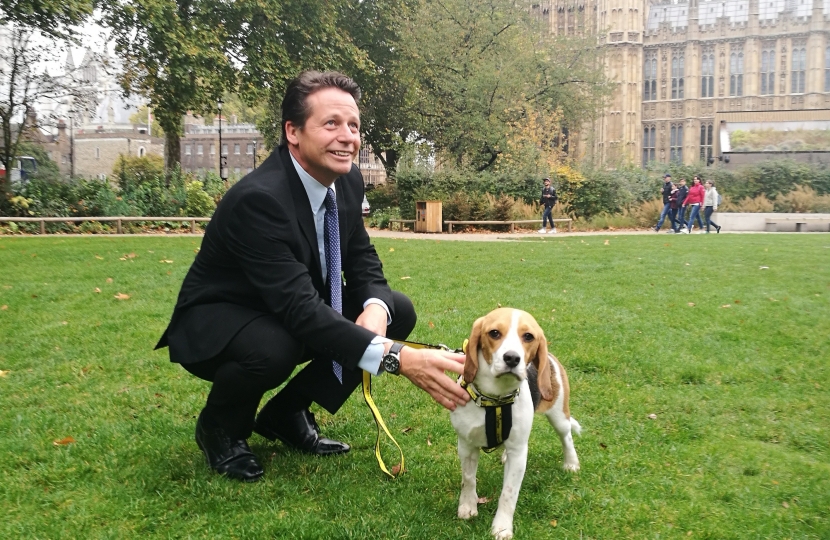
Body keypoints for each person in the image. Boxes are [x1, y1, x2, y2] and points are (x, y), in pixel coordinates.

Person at [155, 71, 469, 482]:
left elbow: (361, 258)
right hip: (222, 321)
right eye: (331, 124)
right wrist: (396, 356)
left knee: (397, 309)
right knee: (275, 346)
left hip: (287, 310)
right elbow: (300, 310)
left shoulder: (349, 179)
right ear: (293, 132)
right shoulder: (259, 200)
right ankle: (220, 428)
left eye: (353, 125)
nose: (347, 137)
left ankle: (286, 414)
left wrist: (376, 309)